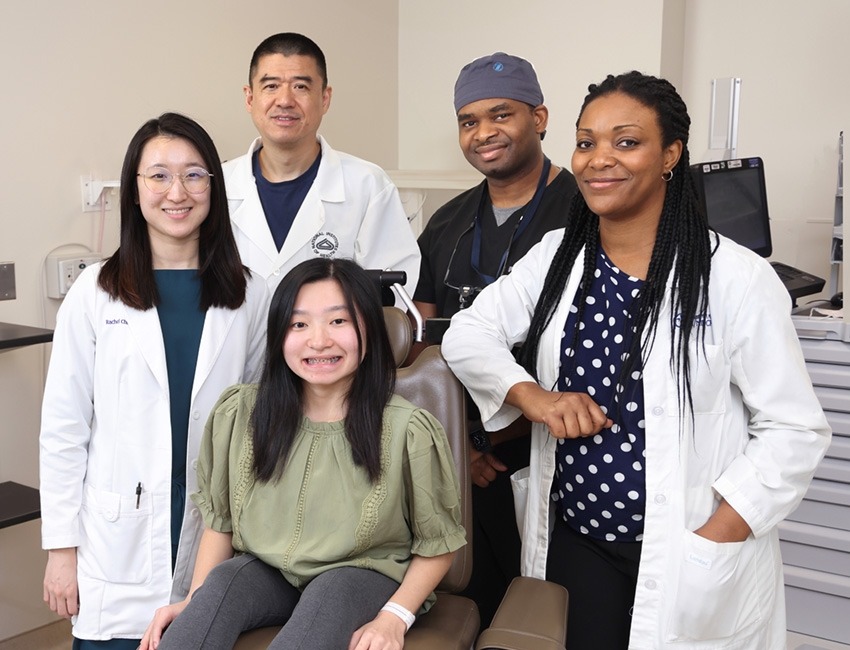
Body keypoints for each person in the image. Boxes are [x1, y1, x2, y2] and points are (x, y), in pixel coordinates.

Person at [442, 71, 831, 649]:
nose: (600, 159)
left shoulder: (735, 277)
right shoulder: (557, 258)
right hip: (578, 538)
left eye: (626, 142)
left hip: (685, 544)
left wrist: (722, 532)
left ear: (671, 153)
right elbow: (469, 333)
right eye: (586, 141)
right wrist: (536, 397)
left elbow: (794, 430)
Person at [140, 258, 466, 650]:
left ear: (368, 330)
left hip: (360, 577)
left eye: (338, 321)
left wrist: (394, 617)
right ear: (280, 335)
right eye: (299, 324)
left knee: (332, 591)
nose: (318, 340)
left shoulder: (407, 430)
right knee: (223, 584)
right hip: (268, 573)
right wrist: (195, 601)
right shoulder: (241, 415)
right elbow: (220, 523)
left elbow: (439, 546)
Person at [39, 113, 269, 649]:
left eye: (194, 175)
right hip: (116, 531)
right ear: (135, 190)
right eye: (159, 175)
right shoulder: (95, 292)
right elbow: (63, 427)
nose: (177, 192)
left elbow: (261, 417)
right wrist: (61, 550)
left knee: (201, 635)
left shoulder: (250, 294)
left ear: (213, 185)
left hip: (216, 526)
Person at [412, 52, 577, 628]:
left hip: (556, 446)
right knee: (468, 603)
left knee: (552, 609)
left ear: (540, 117)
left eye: (500, 115)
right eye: (469, 120)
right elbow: (420, 346)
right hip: (460, 452)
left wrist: (508, 434)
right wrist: (464, 444)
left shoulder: (585, 211)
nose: (484, 133)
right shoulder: (447, 223)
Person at [224, 32, 420, 301]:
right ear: (249, 98)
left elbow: (393, 298)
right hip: (236, 344)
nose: (284, 100)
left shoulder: (368, 185)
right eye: (271, 86)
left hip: (332, 343)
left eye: (301, 87)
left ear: (325, 98)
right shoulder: (216, 187)